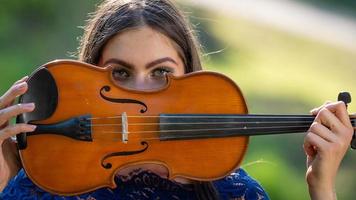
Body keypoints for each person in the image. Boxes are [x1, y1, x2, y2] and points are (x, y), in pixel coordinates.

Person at [0, 0, 353, 199]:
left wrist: (321, 188)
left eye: (161, 74)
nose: (140, 94)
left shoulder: (235, 194)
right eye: (119, 74)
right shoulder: (43, 186)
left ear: (191, 80)